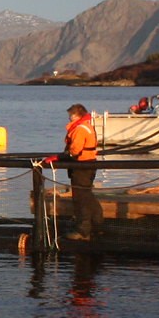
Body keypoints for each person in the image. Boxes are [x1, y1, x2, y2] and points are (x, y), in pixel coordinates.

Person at [60, 102, 100, 240]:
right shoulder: (88, 127)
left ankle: (83, 230)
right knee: (87, 194)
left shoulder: (79, 129)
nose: (69, 118)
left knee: (81, 198)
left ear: (77, 115)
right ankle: (97, 223)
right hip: (89, 164)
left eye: (71, 115)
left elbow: (75, 149)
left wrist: (65, 156)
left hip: (81, 166)